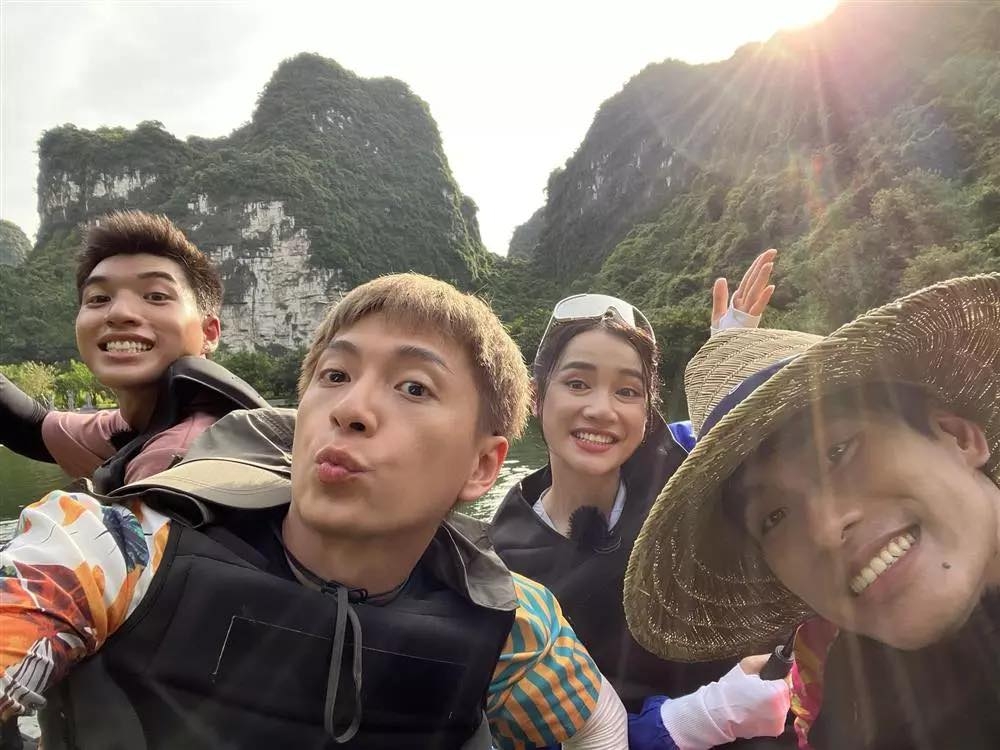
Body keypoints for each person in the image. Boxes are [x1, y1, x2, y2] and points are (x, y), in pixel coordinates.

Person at [0, 273, 628, 749]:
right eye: (334, 376)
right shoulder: (116, 548)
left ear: (482, 468)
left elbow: (599, 727)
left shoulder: (514, 621)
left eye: (414, 387)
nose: (351, 410)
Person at [624, 273, 1000, 749]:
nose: (824, 528)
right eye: (774, 517)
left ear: (960, 437)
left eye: (838, 452)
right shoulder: (851, 685)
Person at [490, 250, 793, 749]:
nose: (601, 409)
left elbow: (753, 443)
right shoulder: (505, 566)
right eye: (577, 383)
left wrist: (728, 363)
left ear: (647, 409)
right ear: (537, 396)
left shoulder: (680, 470)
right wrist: (700, 718)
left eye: (627, 392)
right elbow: (547, 732)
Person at [0, 209, 267, 492]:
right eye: (99, 298)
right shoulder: (149, 421)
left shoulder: (179, 459)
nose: (119, 313)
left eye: (156, 296)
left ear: (209, 332)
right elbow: (32, 428)